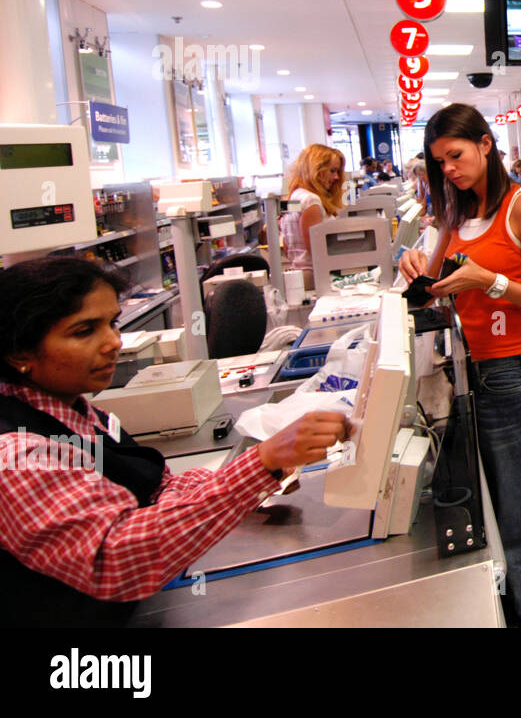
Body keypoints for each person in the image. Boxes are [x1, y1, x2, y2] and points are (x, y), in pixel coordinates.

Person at [0, 257, 348, 626]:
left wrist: (258, 476)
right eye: (85, 331)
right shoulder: (18, 455)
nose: (113, 342)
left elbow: (158, 488)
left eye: (112, 323)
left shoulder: (76, 411)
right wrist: (258, 465)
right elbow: (115, 558)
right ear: (19, 352)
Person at [398, 103, 521, 628]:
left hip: (512, 373)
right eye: (439, 161)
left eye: (455, 155)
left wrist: (489, 282)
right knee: (498, 515)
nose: (448, 168)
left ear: (486, 144)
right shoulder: (452, 212)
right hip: (469, 375)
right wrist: (413, 273)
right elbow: (432, 293)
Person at [280, 144, 345, 271]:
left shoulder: (295, 196)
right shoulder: (311, 200)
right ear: (315, 169)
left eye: (337, 172)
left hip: (299, 272)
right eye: (332, 171)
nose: (336, 177)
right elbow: (317, 254)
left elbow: (288, 246)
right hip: (315, 276)